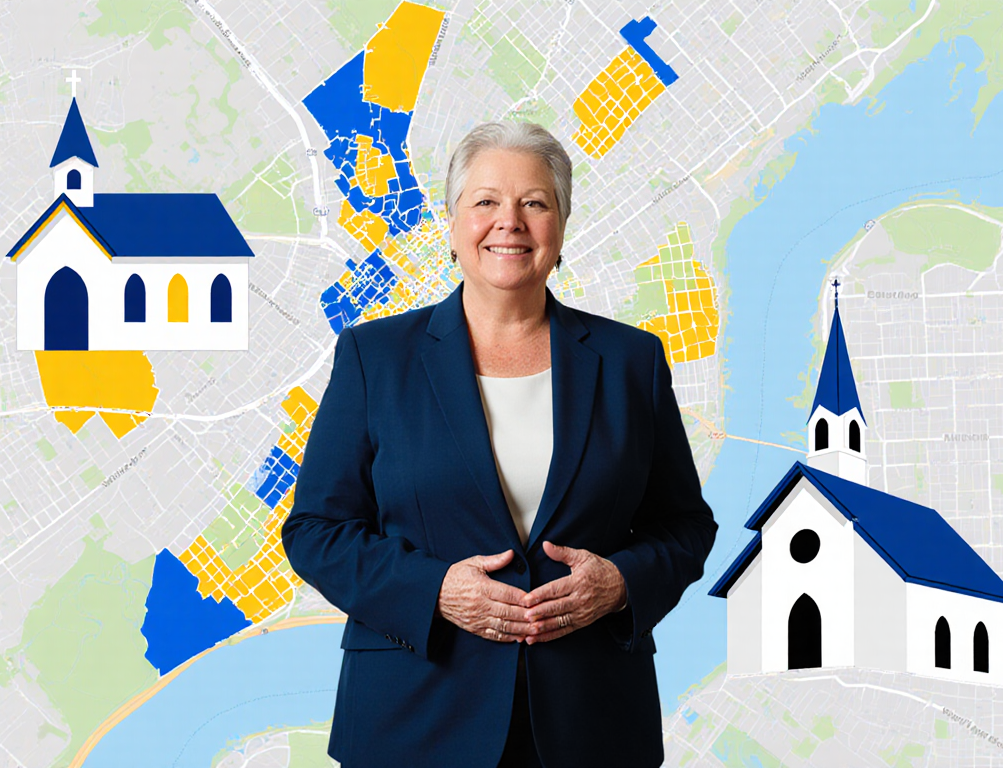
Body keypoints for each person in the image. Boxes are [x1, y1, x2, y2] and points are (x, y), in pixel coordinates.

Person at [281, 121, 717, 768]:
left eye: (534, 203)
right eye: (485, 201)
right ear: (453, 224)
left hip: (589, 722)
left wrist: (621, 582)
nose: (508, 222)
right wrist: (433, 590)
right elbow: (316, 530)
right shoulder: (376, 359)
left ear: (561, 226)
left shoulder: (632, 362)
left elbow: (684, 526)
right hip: (413, 716)